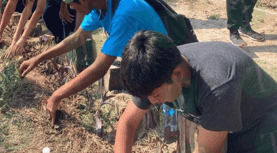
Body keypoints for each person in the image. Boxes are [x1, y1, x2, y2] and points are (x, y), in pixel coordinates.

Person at [19, 0, 167, 124]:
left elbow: (99, 69)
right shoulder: (103, 5)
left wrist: (57, 95)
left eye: (71, 4)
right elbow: (77, 38)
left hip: (163, 67)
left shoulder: (124, 13)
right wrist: (38, 59)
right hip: (145, 61)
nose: (71, 8)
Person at [115, 30, 277, 153]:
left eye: (156, 95)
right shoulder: (155, 73)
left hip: (264, 130)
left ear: (177, 74)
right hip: (231, 126)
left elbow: (206, 150)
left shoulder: (217, 86)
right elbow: (128, 122)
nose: (151, 101)